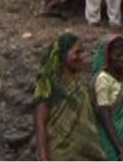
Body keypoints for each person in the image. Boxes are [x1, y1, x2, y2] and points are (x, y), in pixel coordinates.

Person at [34, 33, 107, 162]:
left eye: (82, 53)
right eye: (77, 53)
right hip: (60, 155)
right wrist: (44, 158)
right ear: (63, 55)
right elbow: (41, 124)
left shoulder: (79, 85)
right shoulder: (49, 85)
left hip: (87, 156)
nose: (81, 57)